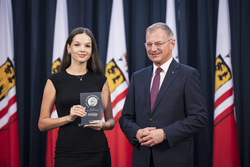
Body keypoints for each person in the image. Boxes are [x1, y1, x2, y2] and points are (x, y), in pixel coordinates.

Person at [119, 22, 208, 167]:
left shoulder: (188, 75)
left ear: (172, 44)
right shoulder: (138, 77)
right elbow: (125, 118)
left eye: (158, 43)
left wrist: (165, 133)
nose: (153, 49)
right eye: (149, 44)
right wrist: (137, 132)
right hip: (142, 159)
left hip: (175, 159)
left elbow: (199, 118)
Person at [38, 27, 115, 167]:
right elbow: (42, 124)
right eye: (77, 45)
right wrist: (68, 117)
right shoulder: (54, 80)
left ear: (92, 51)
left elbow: (111, 121)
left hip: (98, 152)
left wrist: (103, 124)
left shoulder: (101, 80)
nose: (82, 49)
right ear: (69, 48)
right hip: (67, 153)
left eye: (87, 46)